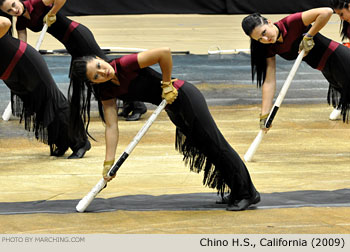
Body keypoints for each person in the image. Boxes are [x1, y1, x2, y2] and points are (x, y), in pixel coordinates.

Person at [69, 47, 260, 211]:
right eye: (96, 76)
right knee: (206, 148)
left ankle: (247, 193)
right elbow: (111, 126)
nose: (103, 72)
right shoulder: (106, 91)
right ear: (93, 82)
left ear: (100, 59)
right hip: (172, 108)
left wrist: (167, 84)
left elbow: (164, 53)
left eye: (100, 67)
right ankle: (237, 190)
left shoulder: (124, 64)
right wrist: (108, 162)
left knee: (216, 144)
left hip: (184, 96)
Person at [0, 0, 147, 118]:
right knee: (89, 77)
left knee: (109, 69)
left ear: (17, 0)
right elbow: (22, 42)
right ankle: (127, 103)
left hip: (78, 35)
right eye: (9, 11)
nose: (15, 10)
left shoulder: (36, 3)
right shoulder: (20, 22)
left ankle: (137, 104)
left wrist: (52, 12)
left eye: (14, 5)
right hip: (69, 43)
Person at [241, 8, 350, 129]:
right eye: (260, 39)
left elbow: (327, 12)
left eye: (264, 33)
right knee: (343, 90)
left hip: (340, 58)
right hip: (326, 69)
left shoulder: (291, 22)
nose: (266, 39)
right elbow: (269, 81)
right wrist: (264, 114)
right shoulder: (270, 47)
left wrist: (309, 35)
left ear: (269, 22)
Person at [0, 16, 90, 158]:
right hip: (8, 73)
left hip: (24, 61)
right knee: (38, 107)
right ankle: (62, 142)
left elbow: (5, 23)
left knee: (53, 100)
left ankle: (81, 141)